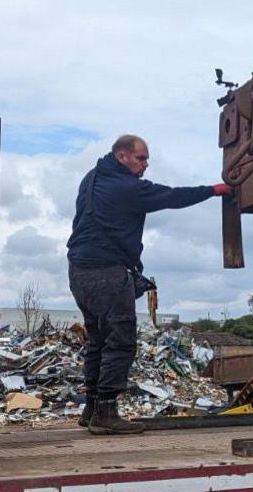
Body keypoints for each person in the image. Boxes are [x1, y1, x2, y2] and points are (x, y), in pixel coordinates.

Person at [65, 134, 230, 434]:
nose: (146, 164)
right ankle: (106, 413)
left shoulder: (91, 179)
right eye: (141, 158)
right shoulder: (125, 188)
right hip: (107, 272)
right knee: (121, 340)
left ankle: (91, 408)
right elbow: (172, 197)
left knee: (98, 341)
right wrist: (214, 190)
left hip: (78, 272)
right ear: (121, 156)